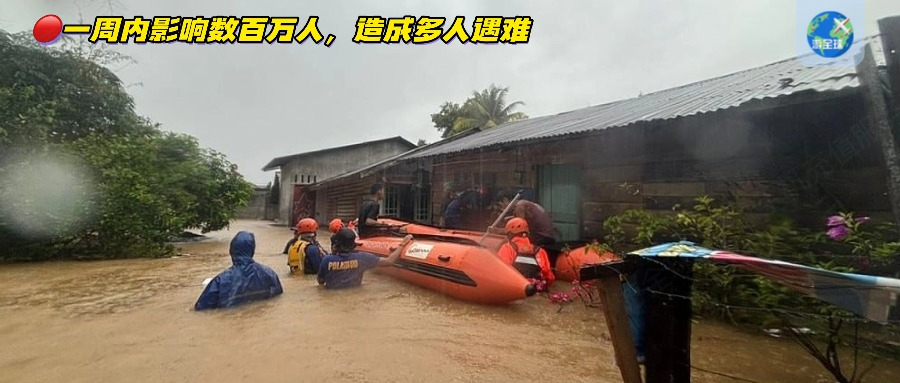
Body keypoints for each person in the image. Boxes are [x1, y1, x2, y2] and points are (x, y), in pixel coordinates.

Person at [195, 231, 283, 310]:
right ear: (252, 250)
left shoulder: (220, 281)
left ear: (232, 251)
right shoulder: (269, 274)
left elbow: (201, 308)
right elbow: (278, 296)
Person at [317, 228, 412, 289]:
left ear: (336, 245)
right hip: (355, 296)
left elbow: (321, 282)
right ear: (354, 245)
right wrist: (403, 243)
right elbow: (389, 261)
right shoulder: (363, 258)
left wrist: (333, 254)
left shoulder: (326, 260)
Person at [497, 218, 555, 286]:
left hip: (514, 287)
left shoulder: (507, 248)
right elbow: (548, 276)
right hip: (535, 288)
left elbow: (501, 271)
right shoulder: (540, 251)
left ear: (510, 234)